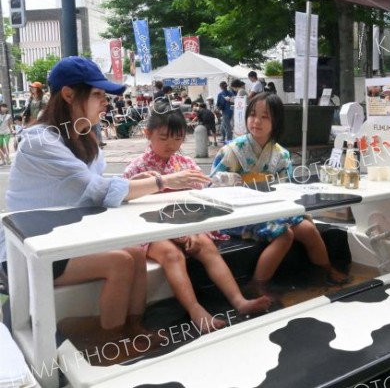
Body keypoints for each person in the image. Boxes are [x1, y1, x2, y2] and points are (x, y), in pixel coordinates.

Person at [0, 56, 211, 346]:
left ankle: (133, 327)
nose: (105, 102)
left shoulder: (85, 140)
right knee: (120, 262)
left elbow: (96, 191)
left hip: (69, 238)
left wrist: (136, 183)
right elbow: (97, 190)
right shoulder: (40, 141)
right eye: (98, 94)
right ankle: (109, 340)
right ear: (69, 95)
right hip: (30, 250)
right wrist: (163, 181)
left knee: (135, 253)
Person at [123, 108, 271, 331]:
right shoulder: (136, 168)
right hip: (149, 231)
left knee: (206, 244)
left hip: (185, 224)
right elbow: (125, 204)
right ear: (148, 134)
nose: (170, 144)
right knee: (172, 254)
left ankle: (239, 301)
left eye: (178, 138)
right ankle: (196, 311)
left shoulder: (186, 164)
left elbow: (201, 198)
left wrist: (191, 229)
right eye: (163, 138)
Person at [210, 92, 349, 293]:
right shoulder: (231, 151)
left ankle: (325, 269)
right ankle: (257, 284)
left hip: (271, 209)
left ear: (276, 121)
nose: (256, 121)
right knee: (284, 234)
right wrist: (237, 182)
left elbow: (286, 189)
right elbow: (213, 187)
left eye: (265, 116)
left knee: (309, 229)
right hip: (239, 214)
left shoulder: (281, 155)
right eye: (252, 114)